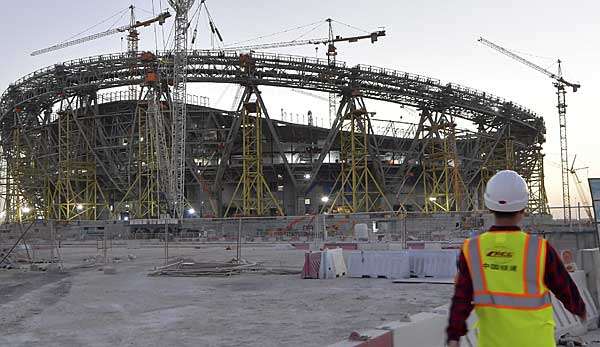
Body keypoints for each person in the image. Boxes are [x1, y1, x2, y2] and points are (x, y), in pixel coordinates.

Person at [446, 170, 587, 346]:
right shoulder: (539, 249)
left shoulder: (472, 249)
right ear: (523, 208)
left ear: (489, 206)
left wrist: (454, 335)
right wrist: (580, 309)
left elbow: (462, 297)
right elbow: (564, 287)